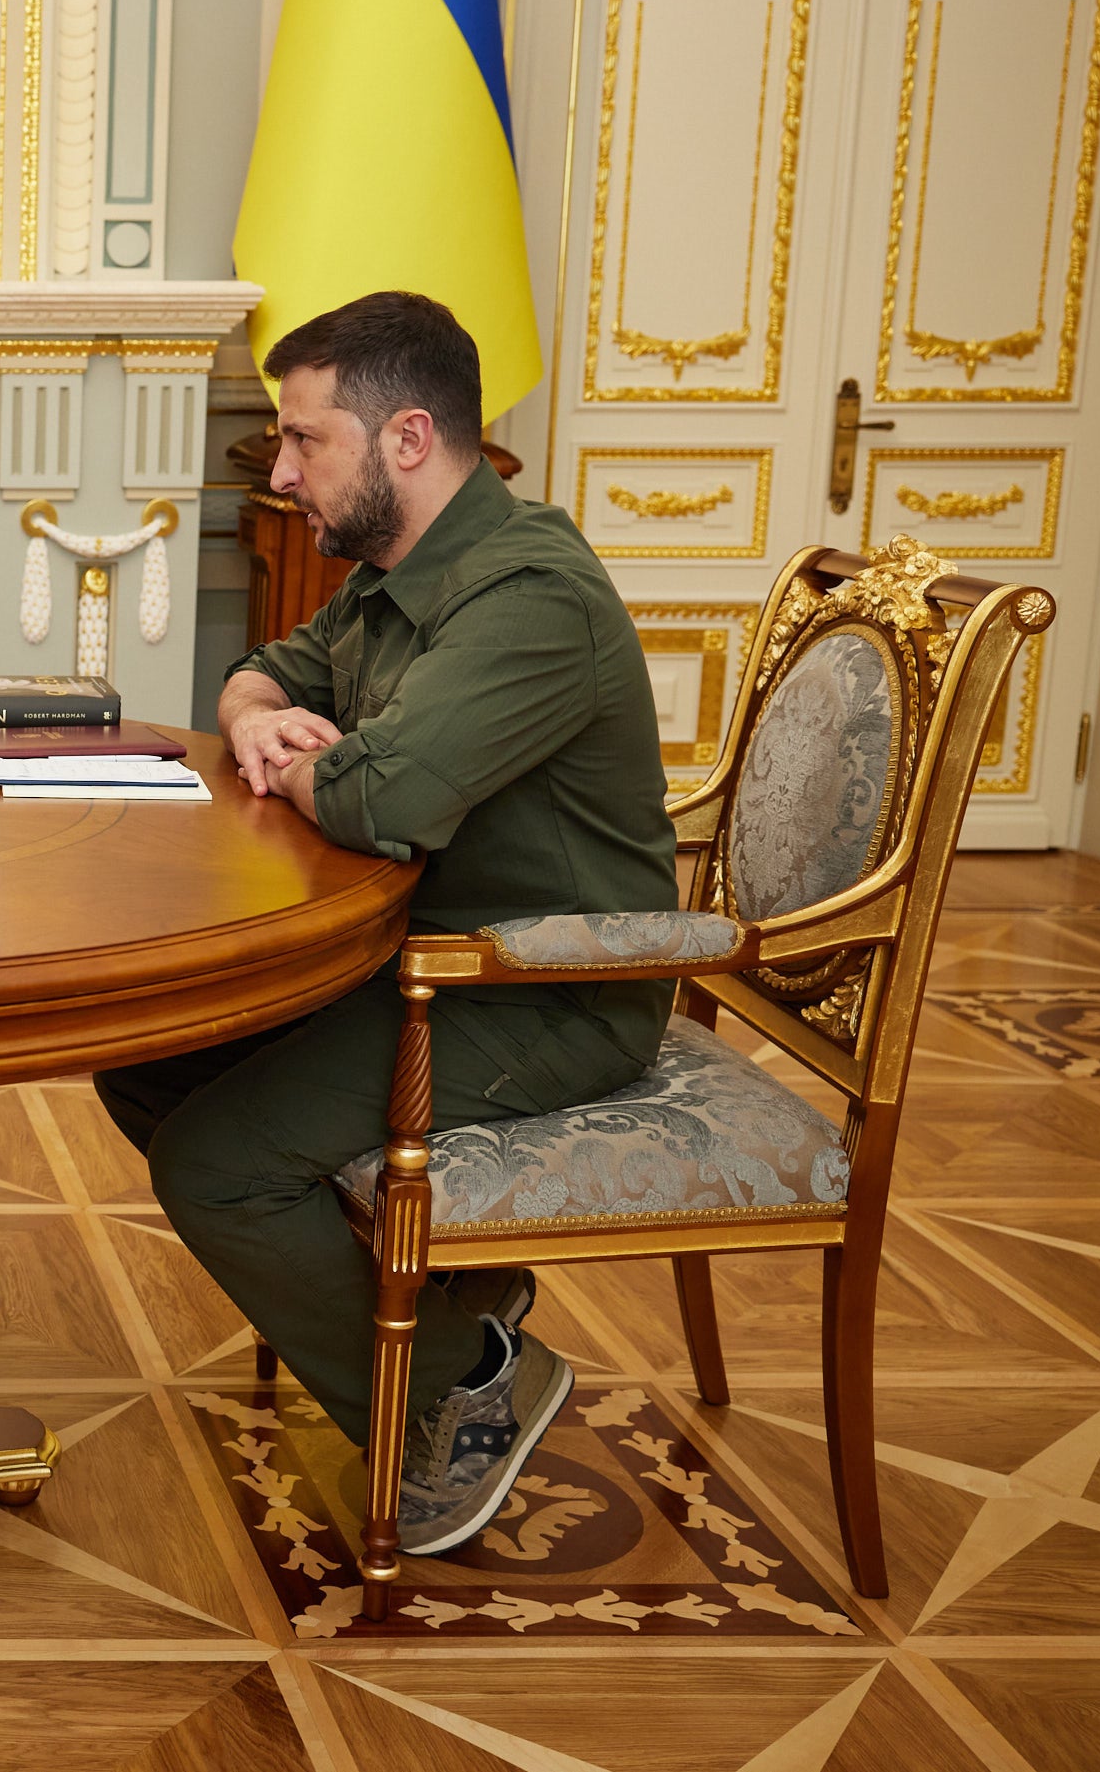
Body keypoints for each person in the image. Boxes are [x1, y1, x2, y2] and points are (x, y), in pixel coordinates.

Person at [94, 290, 675, 1556]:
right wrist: (259, 723)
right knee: (143, 1058)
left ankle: (462, 1381)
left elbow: (387, 796)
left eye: (307, 442)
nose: (284, 470)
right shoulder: (398, 571)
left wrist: (320, 768)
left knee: (219, 1165)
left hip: (544, 988)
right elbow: (269, 671)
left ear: (408, 439)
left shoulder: (529, 597)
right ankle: (459, 1302)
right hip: (416, 962)